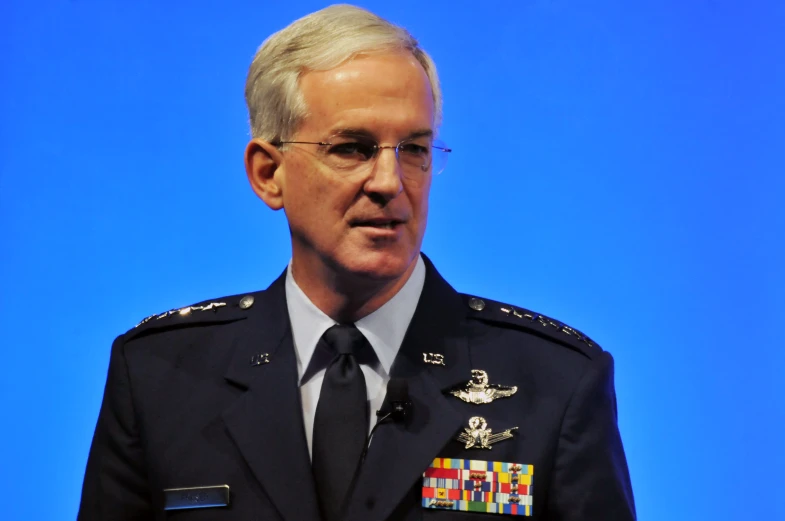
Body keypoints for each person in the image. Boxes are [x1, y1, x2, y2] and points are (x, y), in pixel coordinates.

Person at [78, 5, 636, 520]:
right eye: (352, 148)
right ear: (268, 173)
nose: (391, 183)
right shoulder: (158, 377)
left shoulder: (556, 383)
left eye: (413, 149)